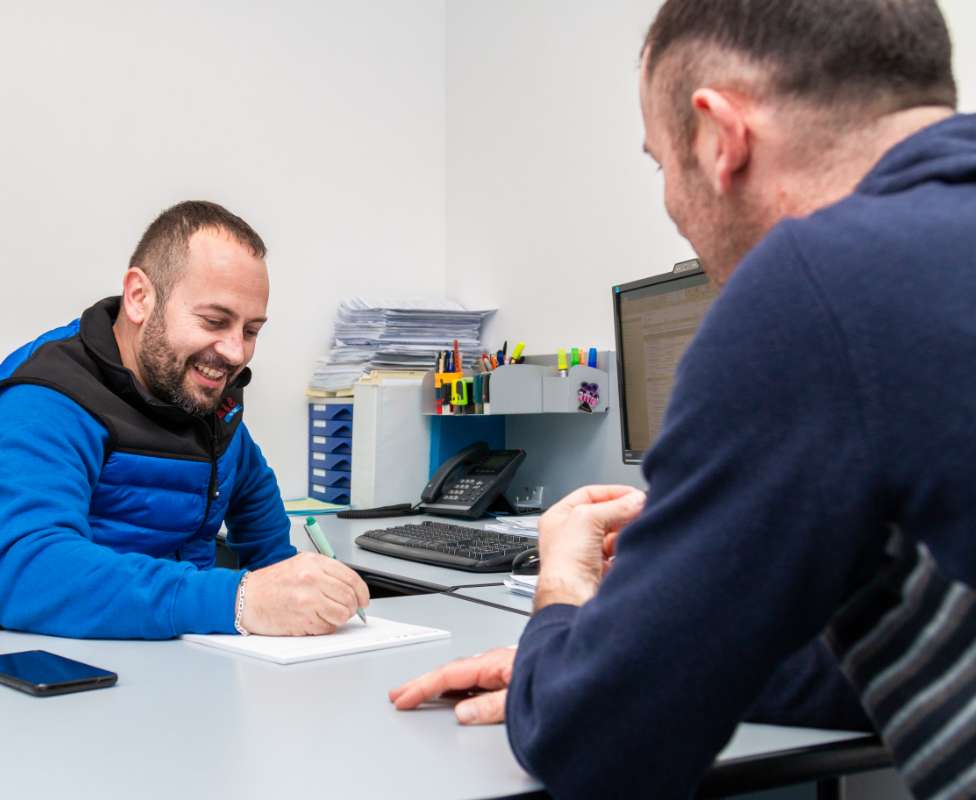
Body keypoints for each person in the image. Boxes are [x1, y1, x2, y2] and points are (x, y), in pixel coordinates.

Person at [391, 1, 976, 797]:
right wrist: (618, 658)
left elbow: (596, 748)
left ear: (718, 136)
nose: (672, 205)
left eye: (660, 163)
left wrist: (562, 600)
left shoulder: (813, 284)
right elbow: (881, 662)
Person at [0, 201, 369, 638]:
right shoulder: (39, 402)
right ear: (139, 297)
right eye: (214, 321)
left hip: (176, 653)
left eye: (251, 330)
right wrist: (240, 600)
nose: (235, 351)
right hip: (37, 656)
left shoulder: (198, 398)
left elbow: (263, 527)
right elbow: (31, 575)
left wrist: (303, 592)